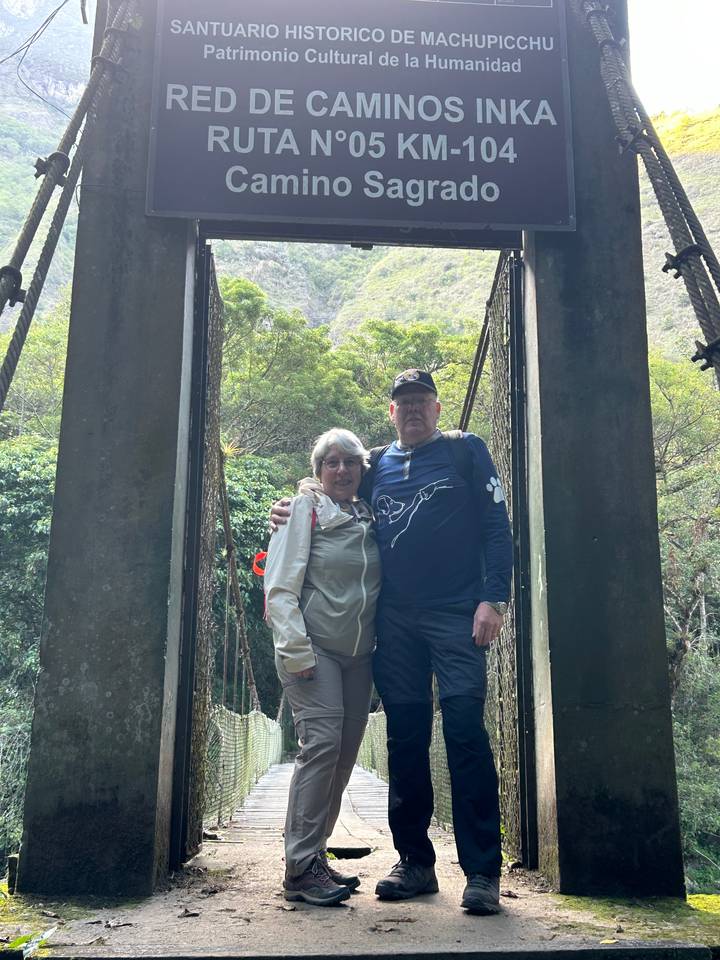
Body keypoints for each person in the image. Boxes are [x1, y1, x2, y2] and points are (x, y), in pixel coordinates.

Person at [271, 370, 512, 915]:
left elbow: (498, 527)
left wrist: (494, 599)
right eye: (403, 403)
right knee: (404, 740)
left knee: (465, 734)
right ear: (391, 411)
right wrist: (294, 503)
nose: (413, 411)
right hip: (396, 624)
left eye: (422, 402)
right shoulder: (375, 462)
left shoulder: (465, 451)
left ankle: (481, 872)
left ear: (437, 407)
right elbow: (333, 478)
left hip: (457, 616)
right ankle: (415, 862)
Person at [264, 428, 381, 907]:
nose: (340, 469)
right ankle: (299, 867)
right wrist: (296, 652)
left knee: (344, 755)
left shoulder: (370, 514)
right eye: (329, 462)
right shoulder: (302, 511)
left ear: (360, 469)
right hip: (314, 653)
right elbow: (280, 589)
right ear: (317, 471)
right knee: (322, 746)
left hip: (360, 657)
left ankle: (314, 857)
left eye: (349, 462)